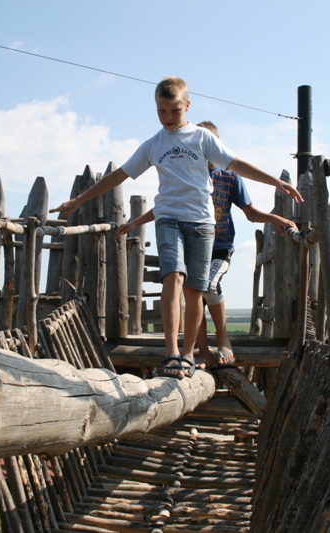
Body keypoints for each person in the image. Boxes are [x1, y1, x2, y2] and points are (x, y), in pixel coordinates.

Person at [50, 76, 303, 379]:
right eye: (162, 111)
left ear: (187, 106)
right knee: (173, 277)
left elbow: (235, 164)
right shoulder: (154, 144)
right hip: (169, 218)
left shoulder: (201, 138)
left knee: (195, 291)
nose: (168, 118)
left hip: (202, 223)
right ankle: (171, 353)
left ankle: (188, 353)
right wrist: (79, 200)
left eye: (175, 111)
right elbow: (119, 176)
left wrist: (275, 181)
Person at [115, 120, 298, 370]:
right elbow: (165, 207)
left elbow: (251, 212)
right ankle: (201, 353)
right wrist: (135, 222)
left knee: (210, 286)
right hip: (195, 244)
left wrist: (273, 217)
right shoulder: (189, 171)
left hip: (220, 245)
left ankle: (223, 337)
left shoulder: (230, 176)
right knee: (195, 294)